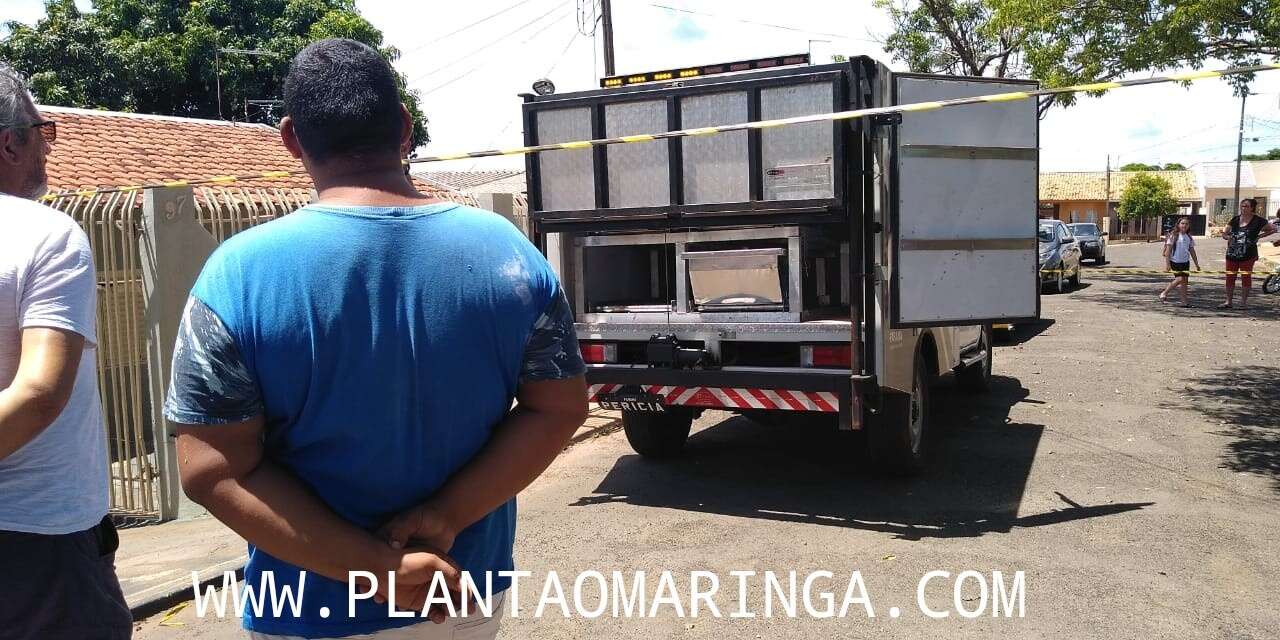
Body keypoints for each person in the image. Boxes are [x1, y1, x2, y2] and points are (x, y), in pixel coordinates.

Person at [164, 38, 588, 639]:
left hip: (308, 610)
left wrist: (377, 569)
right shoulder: (510, 256)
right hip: (462, 589)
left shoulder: (238, 274)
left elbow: (212, 469)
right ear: (404, 128)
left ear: (291, 138)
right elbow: (559, 407)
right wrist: (446, 515)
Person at [0, 65, 132, 638]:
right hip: (37, 543)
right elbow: (38, 392)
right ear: (9, 143)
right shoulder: (43, 234)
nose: (48, 148)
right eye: (42, 131)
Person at [1219, 198, 1277, 309]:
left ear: (1252, 208)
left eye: (1246, 206)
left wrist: (1259, 236)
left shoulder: (1258, 220)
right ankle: (1228, 301)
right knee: (1230, 277)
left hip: (1248, 254)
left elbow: (1273, 229)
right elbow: (1225, 233)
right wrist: (1228, 237)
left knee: (1246, 277)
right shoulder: (1235, 219)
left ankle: (1243, 303)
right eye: (1242, 206)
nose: (1243, 208)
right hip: (1232, 253)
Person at [1160, 217, 1200, 306]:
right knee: (1180, 279)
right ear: (1178, 225)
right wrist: (1167, 265)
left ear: (1188, 226)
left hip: (1185, 262)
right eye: (1182, 223)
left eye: (1186, 224)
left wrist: (1196, 264)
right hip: (1175, 262)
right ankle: (1164, 293)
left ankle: (1184, 302)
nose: (1184, 225)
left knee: (1184, 282)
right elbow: (1168, 251)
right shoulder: (1173, 235)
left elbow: (1192, 251)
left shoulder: (1189, 237)